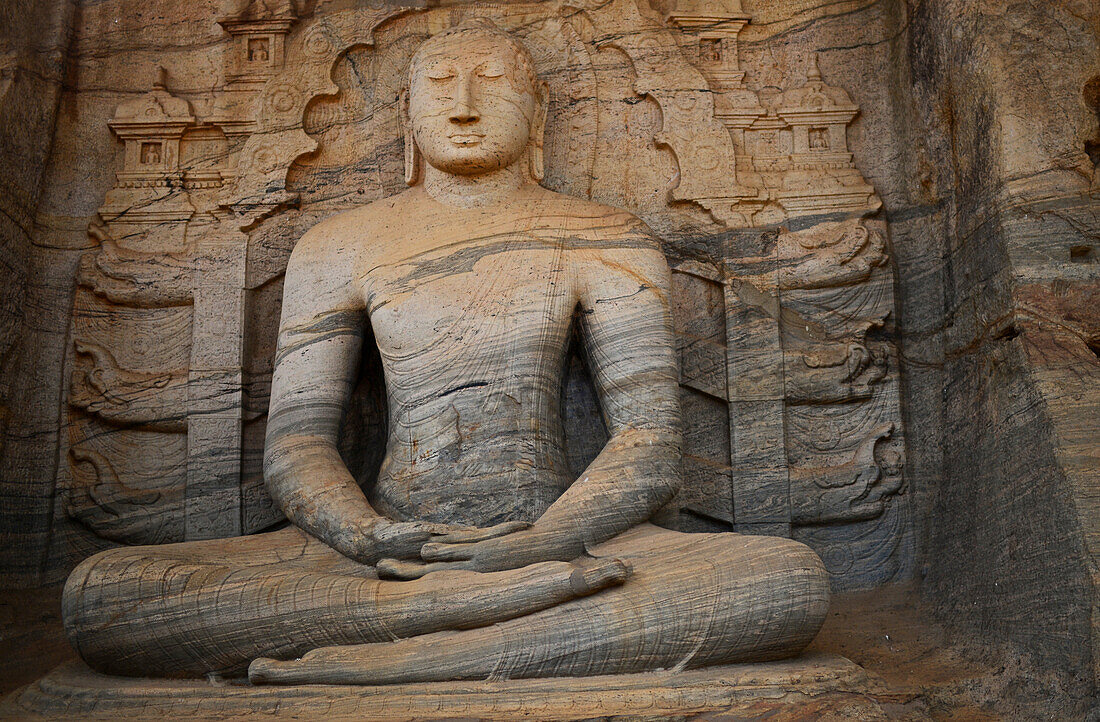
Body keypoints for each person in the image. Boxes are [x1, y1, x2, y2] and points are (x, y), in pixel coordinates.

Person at [62, 21, 828, 685]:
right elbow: (297, 444)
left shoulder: (603, 235)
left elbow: (650, 442)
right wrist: (363, 534)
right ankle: (479, 622)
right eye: (440, 84)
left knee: (785, 583)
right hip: (379, 559)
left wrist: (541, 544)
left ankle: (405, 656)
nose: (463, 104)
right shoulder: (338, 246)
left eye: (493, 83)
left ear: (540, 111)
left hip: (559, 545)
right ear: (407, 113)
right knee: (100, 597)